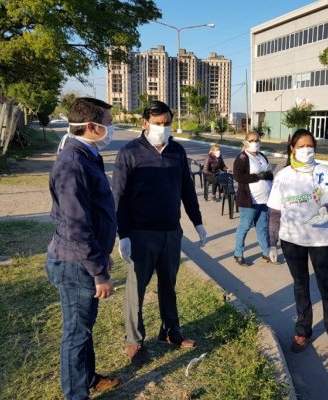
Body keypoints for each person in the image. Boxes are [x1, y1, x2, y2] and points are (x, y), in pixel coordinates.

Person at [112, 100, 208, 368]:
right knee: (136, 289)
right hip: (141, 233)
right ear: (145, 123)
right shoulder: (130, 152)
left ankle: (170, 331)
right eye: (157, 124)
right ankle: (134, 341)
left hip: (171, 232)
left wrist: (197, 222)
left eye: (166, 123)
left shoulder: (177, 151)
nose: (162, 128)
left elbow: (187, 190)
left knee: (169, 284)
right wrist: (124, 234)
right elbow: (118, 196)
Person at [45, 97, 119, 399]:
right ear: (92, 126)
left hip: (85, 259)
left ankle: (88, 378)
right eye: (109, 123)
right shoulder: (73, 163)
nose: (112, 129)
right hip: (76, 263)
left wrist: (102, 257)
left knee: (84, 327)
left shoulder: (84, 154)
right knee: (76, 334)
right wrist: (99, 272)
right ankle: (77, 394)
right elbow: (77, 227)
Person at [267, 128, 328, 361]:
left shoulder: (325, 173)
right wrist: (272, 242)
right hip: (292, 239)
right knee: (300, 286)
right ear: (292, 149)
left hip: (321, 239)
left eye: (310, 145)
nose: (307, 150)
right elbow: (274, 212)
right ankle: (303, 331)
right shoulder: (283, 176)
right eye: (301, 146)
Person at [232, 132, 274, 266]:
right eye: (252, 140)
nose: (255, 142)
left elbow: (268, 175)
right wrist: (258, 176)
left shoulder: (262, 156)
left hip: (264, 200)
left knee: (262, 227)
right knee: (244, 227)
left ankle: (266, 252)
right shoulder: (242, 157)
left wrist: (268, 175)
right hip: (249, 200)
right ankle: (238, 253)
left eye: (257, 140)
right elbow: (238, 177)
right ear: (246, 142)